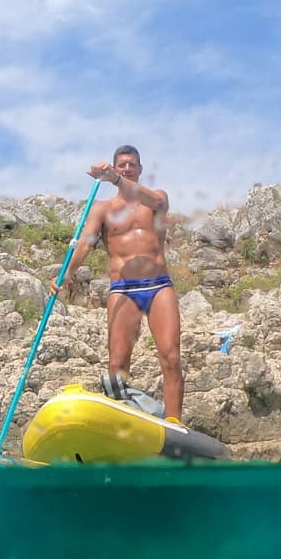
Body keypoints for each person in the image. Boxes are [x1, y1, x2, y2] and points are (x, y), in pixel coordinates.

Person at [52, 144, 184, 422]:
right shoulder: (102, 209)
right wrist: (65, 275)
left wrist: (114, 178)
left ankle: (174, 426)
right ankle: (122, 424)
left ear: (140, 169)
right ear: (116, 166)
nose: (127, 168)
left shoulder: (156, 198)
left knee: (171, 358)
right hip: (122, 290)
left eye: (131, 165)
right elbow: (86, 244)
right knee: (117, 367)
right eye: (121, 165)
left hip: (158, 286)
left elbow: (159, 204)